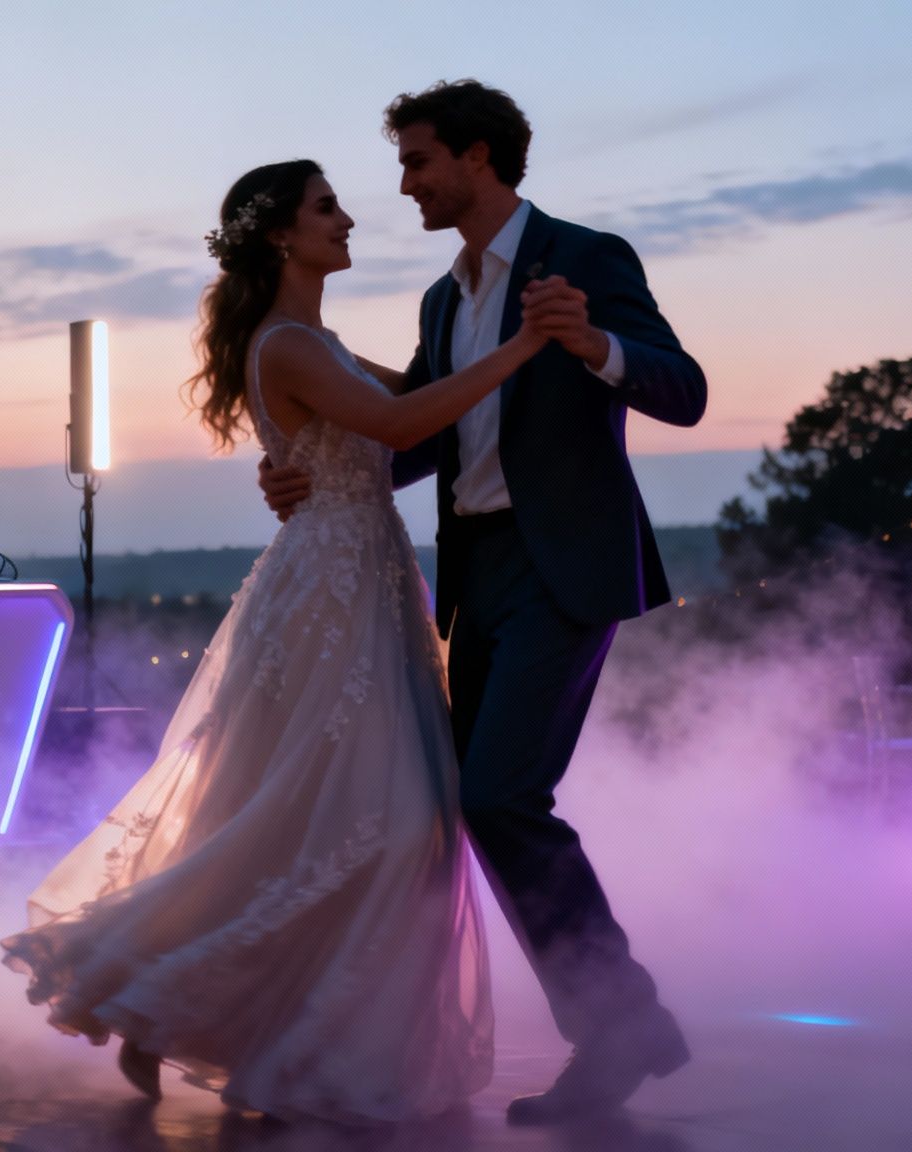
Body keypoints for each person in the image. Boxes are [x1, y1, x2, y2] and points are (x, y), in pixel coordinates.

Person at [3, 159, 555, 1124]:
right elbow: (402, 422)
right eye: (326, 207)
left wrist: (504, 343)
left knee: (342, 819)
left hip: (370, 580)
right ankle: (177, 995)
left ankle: (203, 1009)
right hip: (331, 593)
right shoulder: (289, 345)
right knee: (373, 821)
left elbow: (425, 415)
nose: (348, 220)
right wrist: (525, 346)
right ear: (280, 237)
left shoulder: (318, 341)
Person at [259, 81, 706, 1124]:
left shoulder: (585, 257)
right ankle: (611, 1024)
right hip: (475, 578)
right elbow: (422, 435)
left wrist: (593, 345)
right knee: (468, 801)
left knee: (501, 796)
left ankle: (619, 1021)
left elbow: (683, 390)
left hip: (563, 569)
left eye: (416, 162)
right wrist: (312, 476)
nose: (403, 185)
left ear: (475, 157)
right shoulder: (439, 299)